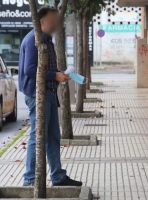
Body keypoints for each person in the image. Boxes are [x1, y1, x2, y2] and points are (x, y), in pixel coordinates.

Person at [18, 6, 82, 187]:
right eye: (53, 21)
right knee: (37, 136)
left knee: (53, 136)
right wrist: (54, 75)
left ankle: (58, 176)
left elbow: (44, 68)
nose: (56, 25)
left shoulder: (47, 40)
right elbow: (30, 70)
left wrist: (59, 74)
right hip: (38, 95)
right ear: (41, 22)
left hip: (49, 93)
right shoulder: (34, 40)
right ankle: (30, 179)